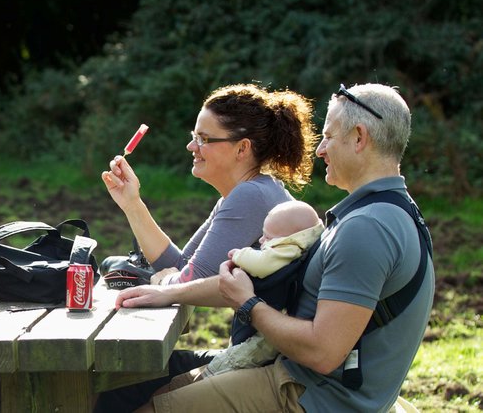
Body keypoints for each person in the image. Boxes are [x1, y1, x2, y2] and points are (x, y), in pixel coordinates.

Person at [125, 84, 434, 412]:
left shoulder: (367, 226)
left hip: (313, 396)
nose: (320, 150)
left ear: (359, 137)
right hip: (310, 383)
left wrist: (248, 304)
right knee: (155, 392)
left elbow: (323, 353)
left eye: (328, 136)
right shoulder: (394, 211)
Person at [94, 84, 318, 412]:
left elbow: (185, 279)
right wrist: (132, 204)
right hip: (260, 356)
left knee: (121, 389)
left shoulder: (250, 196)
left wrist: (166, 282)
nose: (191, 146)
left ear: (242, 148)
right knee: (125, 383)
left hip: (263, 367)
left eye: (203, 139)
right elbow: (182, 265)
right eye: (193, 135)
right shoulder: (247, 191)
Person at [202, 200, 324, 377]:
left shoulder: (288, 250)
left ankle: (213, 375)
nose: (261, 241)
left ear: (288, 240)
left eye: (267, 237)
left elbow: (260, 264)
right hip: (267, 325)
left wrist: (239, 254)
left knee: (238, 359)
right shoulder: (297, 248)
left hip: (267, 335)